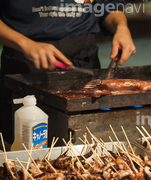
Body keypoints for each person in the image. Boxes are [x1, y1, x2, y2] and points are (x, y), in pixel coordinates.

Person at [0, 0, 136, 144]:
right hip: (25, 63)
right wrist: (24, 43)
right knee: (23, 145)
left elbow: (106, 5)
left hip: (83, 59)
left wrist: (121, 26)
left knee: (88, 143)